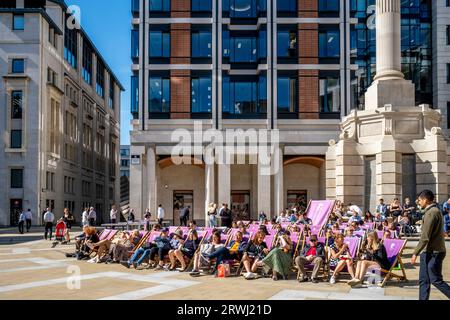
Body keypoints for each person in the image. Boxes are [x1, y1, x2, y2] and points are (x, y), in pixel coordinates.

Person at [411, 190, 450, 300]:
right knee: (424, 281)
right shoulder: (431, 211)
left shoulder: (432, 212)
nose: (418, 202)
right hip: (428, 252)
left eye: (419, 200)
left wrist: (415, 253)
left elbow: (425, 237)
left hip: (435, 253)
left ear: (425, 200)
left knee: (435, 280)